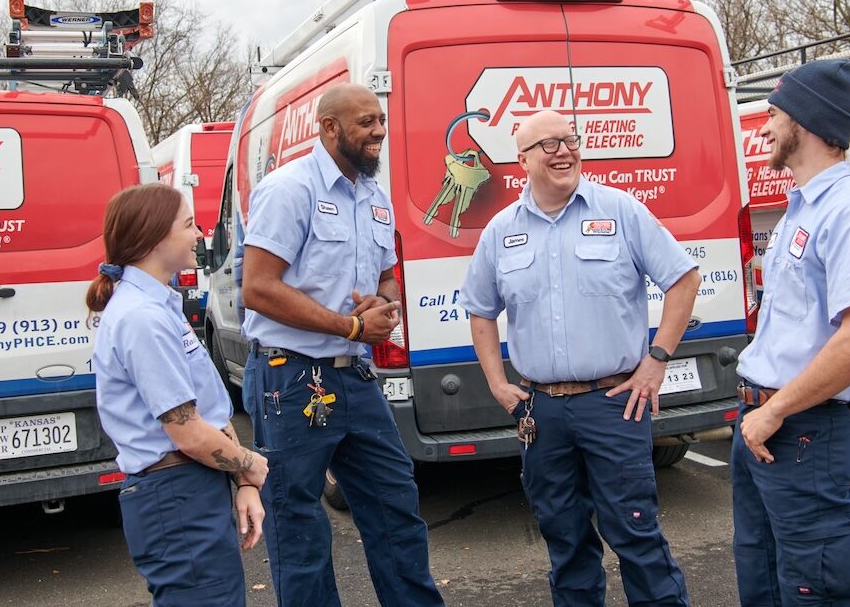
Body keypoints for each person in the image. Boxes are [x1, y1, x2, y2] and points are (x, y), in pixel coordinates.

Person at [460, 109, 701, 607]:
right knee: (565, 541)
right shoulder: (501, 231)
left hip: (614, 403)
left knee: (635, 535)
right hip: (541, 411)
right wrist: (497, 383)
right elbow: (481, 311)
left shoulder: (620, 211)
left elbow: (683, 279)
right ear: (521, 160)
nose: (564, 150)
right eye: (547, 145)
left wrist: (656, 360)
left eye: (569, 139)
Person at [240, 83, 444, 607]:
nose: (379, 131)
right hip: (291, 377)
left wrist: (381, 307)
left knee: (395, 503)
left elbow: (386, 281)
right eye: (365, 122)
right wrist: (349, 327)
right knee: (299, 520)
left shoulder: (375, 198)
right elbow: (258, 287)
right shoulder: (290, 189)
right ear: (329, 128)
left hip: (355, 377)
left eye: (380, 120)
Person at [731, 59, 850, 606]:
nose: (765, 127)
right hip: (765, 425)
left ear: (805, 122)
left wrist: (775, 411)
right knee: (765, 580)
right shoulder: (802, 211)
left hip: (801, 432)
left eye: (774, 114)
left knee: (817, 589)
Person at [86, 183, 268, 607]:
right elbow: (187, 432)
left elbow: (206, 407)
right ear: (154, 239)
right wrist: (250, 465)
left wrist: (241, 480)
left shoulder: (158, 306)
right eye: (189, 224)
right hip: (175, 497)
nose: (200, 233)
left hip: (188, 488)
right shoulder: (141, 319)